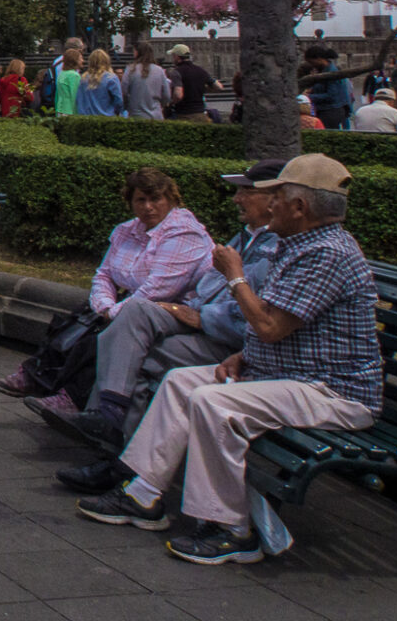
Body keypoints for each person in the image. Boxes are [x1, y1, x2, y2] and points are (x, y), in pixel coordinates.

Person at [74, 155, 381, 567]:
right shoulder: (300, 245)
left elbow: (271, 325)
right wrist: (244, 355)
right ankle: (143, 496)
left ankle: (232, 529)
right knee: (182, 382)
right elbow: (284, 328)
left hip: (332, 391)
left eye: (278, 198)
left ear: (300, 207)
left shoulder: (326, 253)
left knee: (212, 402)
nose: (268, 205)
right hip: (289, 375)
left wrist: (235, 276)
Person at [52, 160, 286, 484]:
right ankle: (108, 417)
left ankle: (117, 460)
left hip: (228, 338)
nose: (236, 199)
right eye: (139, 201)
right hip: (197, 316)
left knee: (140, 353)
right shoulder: (247, 236)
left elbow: (261, 316)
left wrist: (201, 313)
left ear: (275, 197)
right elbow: (108, 275)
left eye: (246, 192)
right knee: (134, 315)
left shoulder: (280, 247)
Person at [0, 167, 214, 411]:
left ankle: (71, 397)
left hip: (173, 311)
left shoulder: (184, 233)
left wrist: (112, 313)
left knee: (107, 331)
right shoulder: (128, 230)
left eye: (156, 199)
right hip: (134, 304)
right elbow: (104, 274)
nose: (149, 207)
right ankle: (35, 375)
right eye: (141, 200)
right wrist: (104, 305)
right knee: (80, 316)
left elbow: (158, 289)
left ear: (170, 199)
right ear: (130, 202)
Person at [303, 45, 352, 130]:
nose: (312, 65)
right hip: (326, 109)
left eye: (312, 62)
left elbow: (331, 95)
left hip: (331, 111)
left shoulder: (331, 72)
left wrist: (309, 97)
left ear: (319, 59)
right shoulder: (324, 70)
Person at [166, 45, 220, 122]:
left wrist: (171, 103)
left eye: (173, 56)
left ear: (177, 57)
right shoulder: (200, 70)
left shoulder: (177, 72)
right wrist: (202, 89)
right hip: (201, 115)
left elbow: (178, 95)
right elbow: (218, 87)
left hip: (184, 115)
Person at [121, 46, 172, 120]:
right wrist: (162, 105)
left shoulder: (130, 70)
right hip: (156, 114)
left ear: (137, 53)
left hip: (136, 114)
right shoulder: (159, 70)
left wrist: (127, 105)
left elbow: (124, 92)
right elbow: (167, 95)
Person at [75, 49, 124, 117]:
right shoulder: (111, 78)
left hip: (87, 118)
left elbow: (79, 100)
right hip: (107, 117)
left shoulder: (83, 79)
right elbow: (118, 100)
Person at [52, 48, 83, 116]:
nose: (82, 60)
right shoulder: (74, 76)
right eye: (80, 58)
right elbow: (75, 96)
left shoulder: (62, 73)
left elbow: (57, 94)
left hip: (60, 109)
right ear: (75, 60)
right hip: (70, 111)